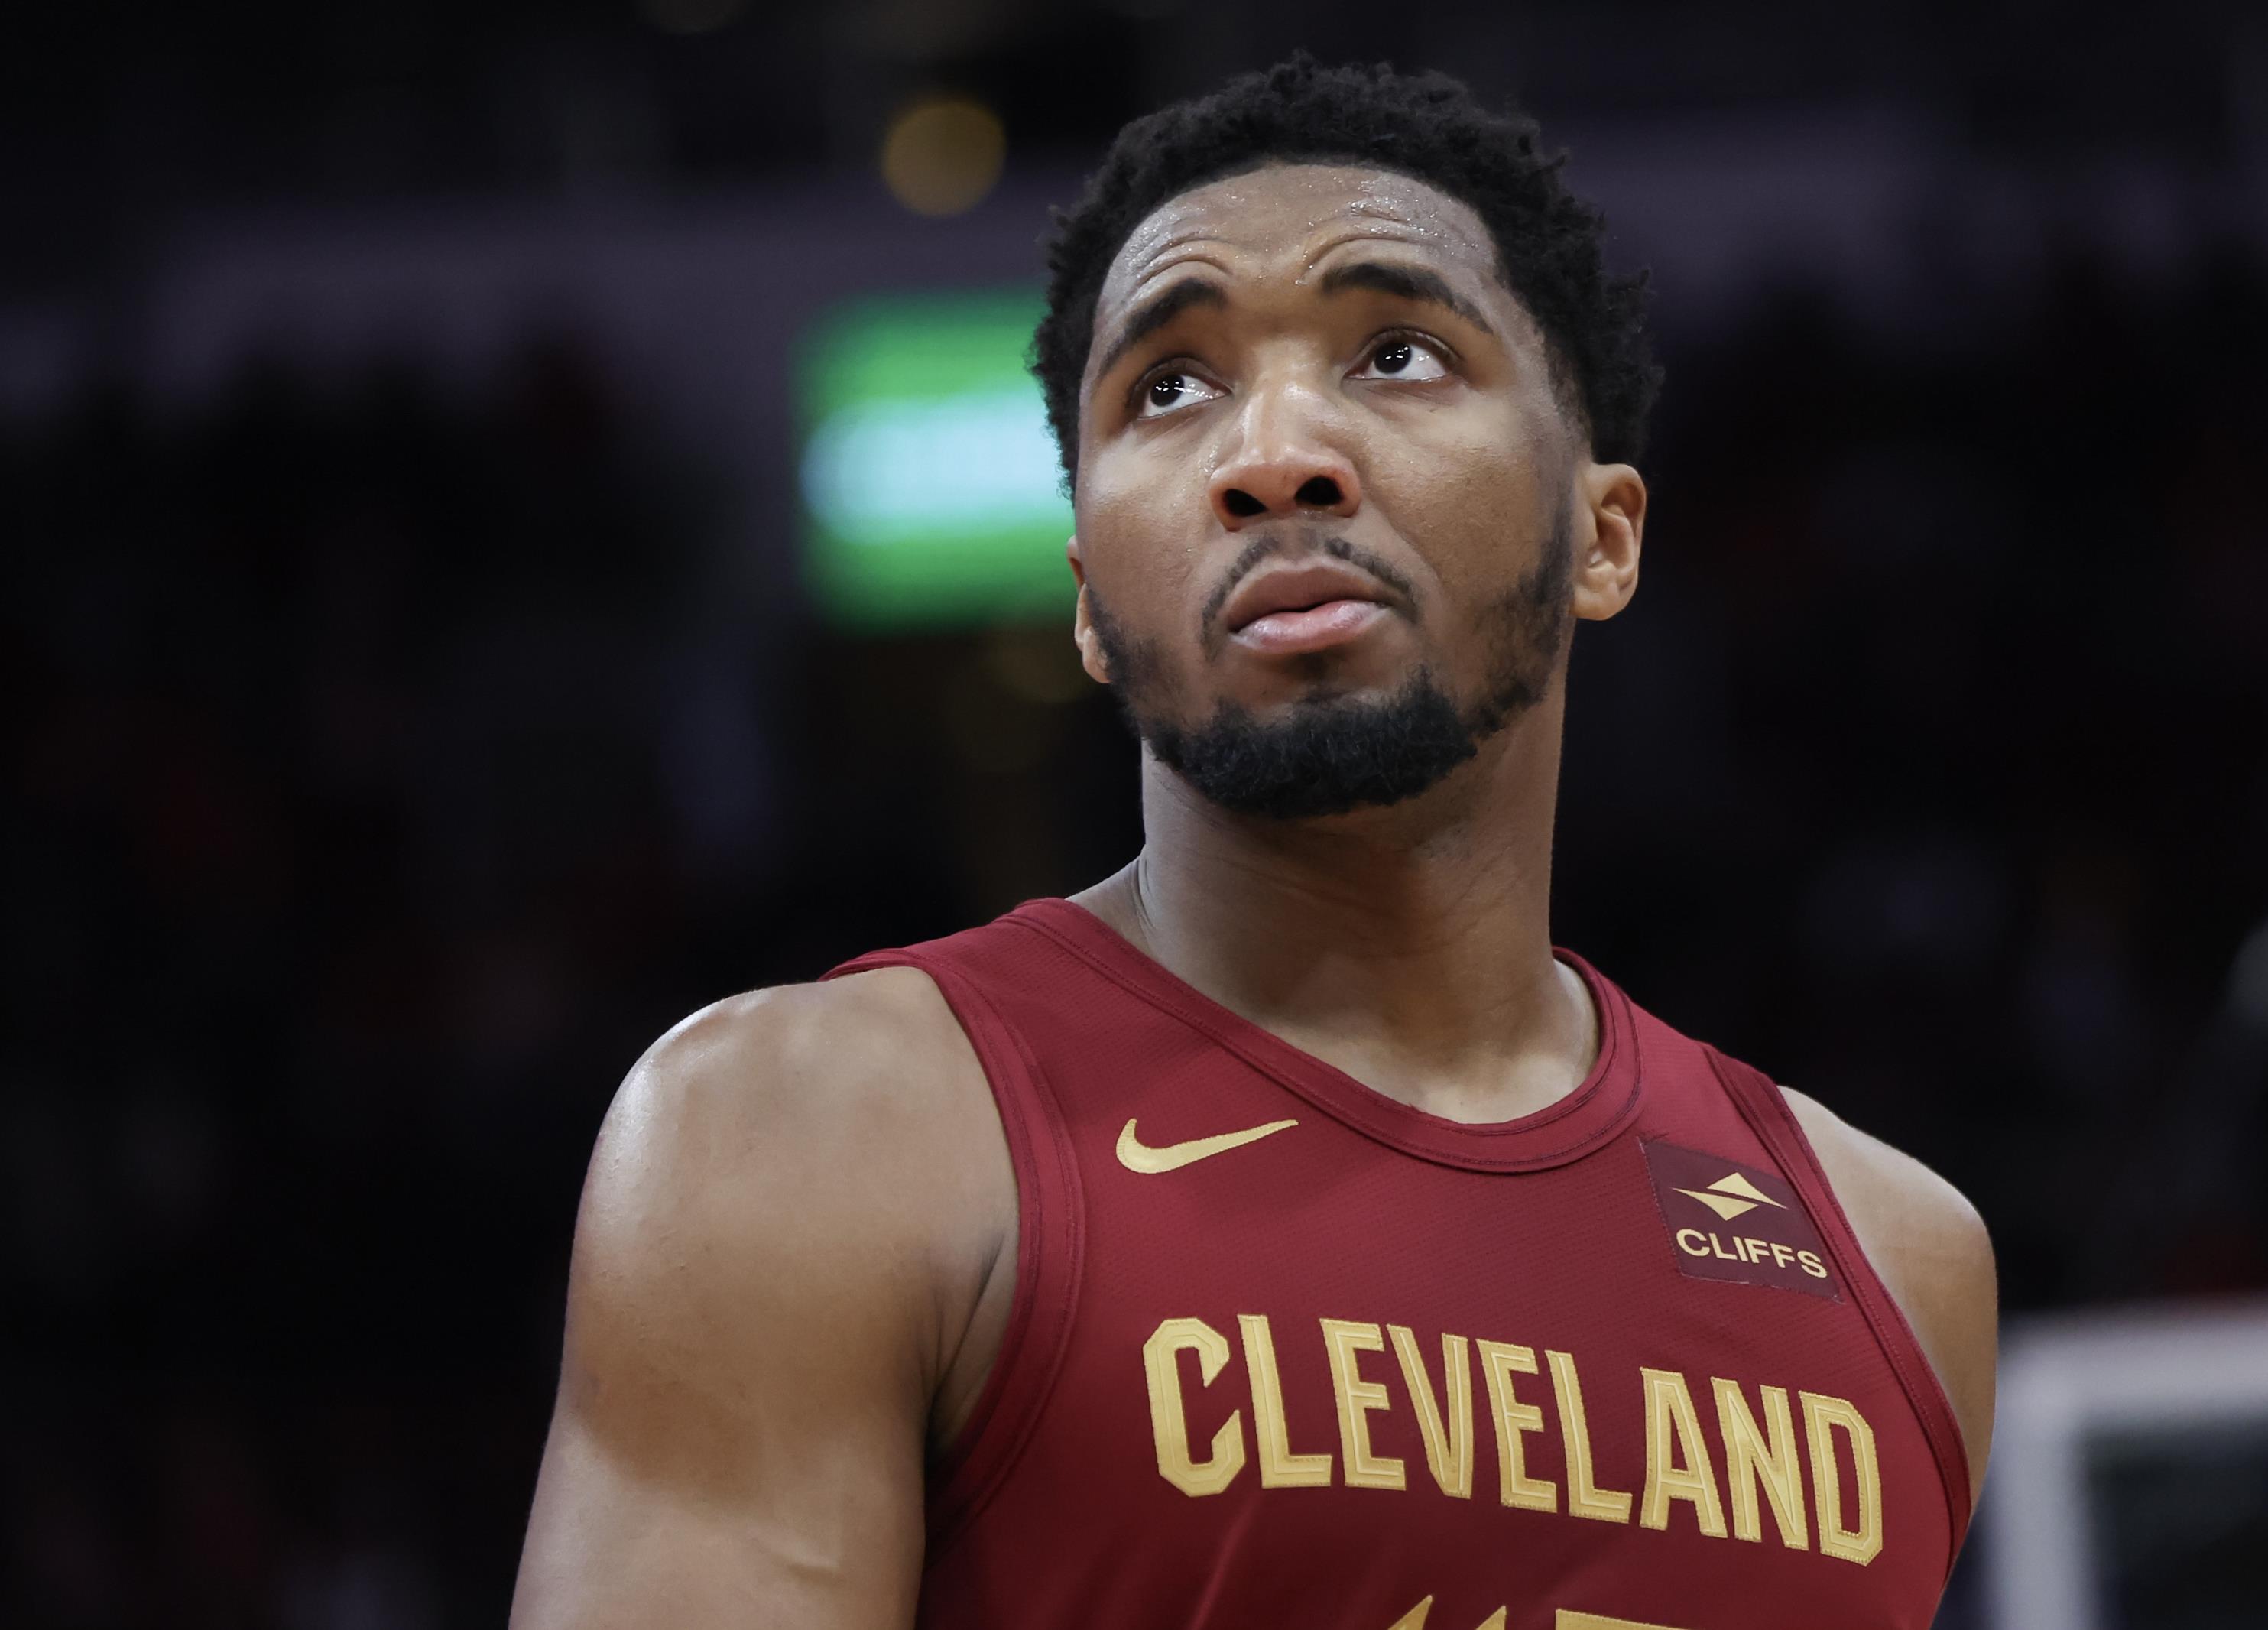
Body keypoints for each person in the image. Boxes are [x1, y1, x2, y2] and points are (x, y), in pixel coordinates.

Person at [510, 56, 1996, 1629]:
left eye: (1399, 354)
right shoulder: (800, 1140)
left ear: (1602, 535)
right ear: (1089, 599)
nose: (1273, 455)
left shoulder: (1895, 1259)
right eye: (1168, 387)